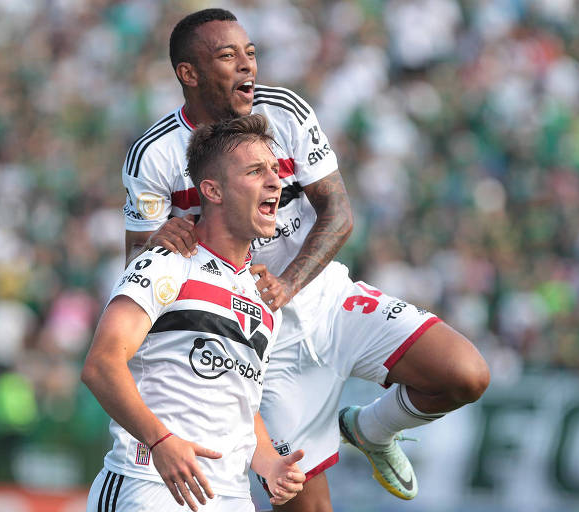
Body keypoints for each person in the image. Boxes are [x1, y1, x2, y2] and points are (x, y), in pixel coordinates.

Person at [121, 8, 490, 511]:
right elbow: (138, 265)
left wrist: (289, 284)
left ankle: (369, 428)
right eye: (228, 57)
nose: (248, 66)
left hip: (325, 298)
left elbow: (338, 213)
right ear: (189, 74)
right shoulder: (156, 154)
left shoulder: (286, 111)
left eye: (250, 53)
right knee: (307, 507)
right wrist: (161, 241)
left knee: (465, 373)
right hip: (255, 344)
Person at [83, 114, 307, 512]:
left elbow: (241, 401)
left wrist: (269, 461)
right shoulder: (167, 261)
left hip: (232, 498)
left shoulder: (261, 297)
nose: (276, 181)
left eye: (275, 170)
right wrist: (160, 442)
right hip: (150, 485)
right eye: (256, 171)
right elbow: (101, 364)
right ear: (212, 190)